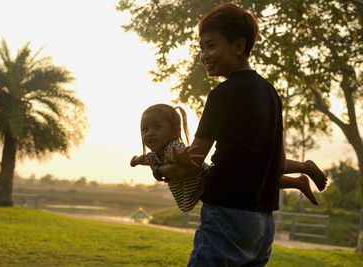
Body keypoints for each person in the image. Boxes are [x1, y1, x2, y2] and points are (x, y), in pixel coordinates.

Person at [143, 3, 327, 266]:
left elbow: (193, 163)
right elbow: (274, 163)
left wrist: (159, 171)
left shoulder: (221, 94)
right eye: (201, 48)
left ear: (239, 47)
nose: (204, 55)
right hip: (262, 223)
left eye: (211, 45)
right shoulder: (270, 93)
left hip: (225, 214)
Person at [130, 104, 326, 213]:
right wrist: (136, 160)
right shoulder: (155, 155)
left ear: (175, 131)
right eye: (145, 129)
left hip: (210, 181)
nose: (149, 133)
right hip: (207, 186)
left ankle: (304, 168)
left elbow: (179, 158)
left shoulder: (173, 147)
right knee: (257, 180)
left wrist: (179, 158)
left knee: (257, 176)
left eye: (156, 127)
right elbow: (146, 159)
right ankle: (299, 180)